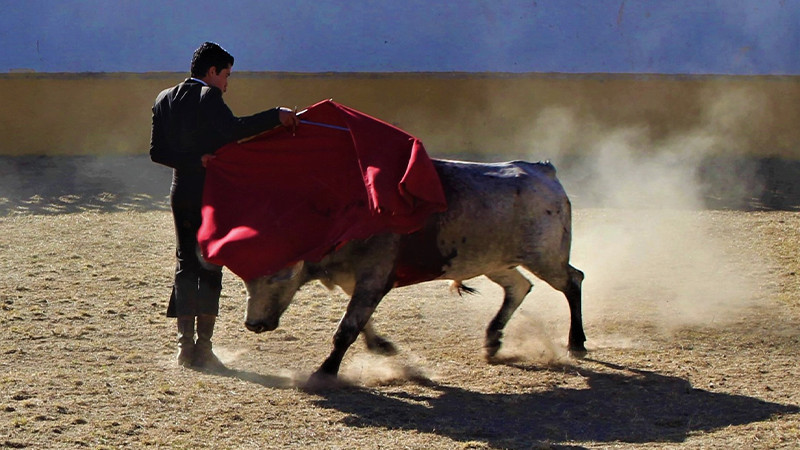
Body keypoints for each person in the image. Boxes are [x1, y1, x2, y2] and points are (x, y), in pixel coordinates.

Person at [150, 41, 298, 370]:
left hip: (180, 191)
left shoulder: (164, 98)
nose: (227, 84)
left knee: (186, 262)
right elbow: (236, 131)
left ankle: (184, 347)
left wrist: (191, 161)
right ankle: (203, 349)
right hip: (210, 193)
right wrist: (276, 116)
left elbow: (157, 153)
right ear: (212, 71)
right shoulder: (209, 97)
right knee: (210, 263)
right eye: (226, 75)